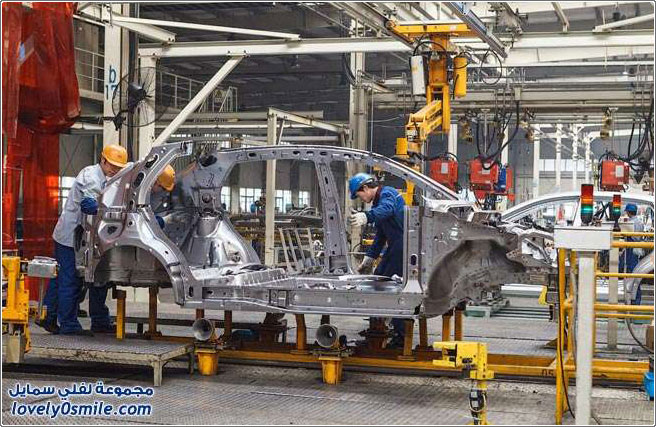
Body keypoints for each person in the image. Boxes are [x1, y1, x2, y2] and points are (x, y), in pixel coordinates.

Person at [41, 144, 128, 335]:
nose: (115, 170)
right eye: (112, 165)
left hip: (82, 237)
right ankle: (68, 325)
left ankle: (48, 315)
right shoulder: (91, 176)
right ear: (103, 160)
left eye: (119, 168)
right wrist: (115, 213)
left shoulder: (108, 179)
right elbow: (89, 204)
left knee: (62, 277)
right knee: (70, 280)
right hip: (69, 237)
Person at [348, 172, 406, 346]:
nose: (362, 199)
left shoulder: (388, 193)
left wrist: (367, 216)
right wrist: (369, 258)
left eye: (359, 195)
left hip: (403, 247)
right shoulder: (378, 203)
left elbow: (387, 209)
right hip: (395, 247)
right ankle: (378, 331)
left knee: (390, 288)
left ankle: (400, 337)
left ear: (365, 188)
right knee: (378, 280)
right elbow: (381, 236)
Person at [620, 203, 646, 303]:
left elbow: (634, 237)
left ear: (628, 212)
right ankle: (633, 299)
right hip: (634, 250)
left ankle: (634, 300)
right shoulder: (638, 222)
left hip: (632, 251)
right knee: (634, 276)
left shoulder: (632, 222)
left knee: (633, 275)